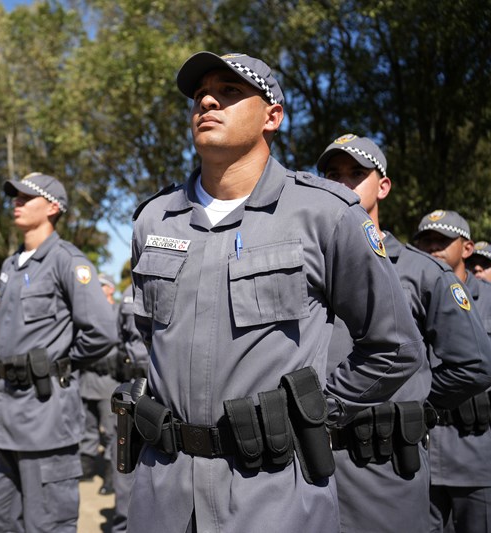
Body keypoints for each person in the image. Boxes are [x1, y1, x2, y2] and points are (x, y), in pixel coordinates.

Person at [125, 51, 425, 532]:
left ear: (272, 117)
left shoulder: (324, 213)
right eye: (200, 94)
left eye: (229, 92)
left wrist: (314, 411)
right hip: (164, 492)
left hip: (272, 495)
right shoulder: (154, 219)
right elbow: (148, 334)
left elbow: (395, 347)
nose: (206, 101)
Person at [317, 136, 491, 532]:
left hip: (382, 465)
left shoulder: (421, 271)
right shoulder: (303, 265)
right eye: (332, 175)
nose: (342, 184)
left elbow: (475, 364)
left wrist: (412, 403)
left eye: (356, 174)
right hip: (303, 467)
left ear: (383, 186)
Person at [0, 172, 117, 532]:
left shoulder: (68, 261)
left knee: (48, 523)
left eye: (28, 197)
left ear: (53, 207)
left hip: (44, 413)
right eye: (15, 196)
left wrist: (58, 363)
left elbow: (101, 331)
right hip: (4, 411)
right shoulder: (11, 265)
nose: (17, 203)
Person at [413, 210, 491, 533]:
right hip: (424, 458)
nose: (434, 248)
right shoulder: (411, 295)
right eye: (426, 241)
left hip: (477, 455)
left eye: (443, 241)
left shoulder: (487, 299)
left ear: (468, 248)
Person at [109, 283, 149, 532]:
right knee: (126, 457)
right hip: (134, 384)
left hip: (165, 387)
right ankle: (123, 525)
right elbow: (117, 337)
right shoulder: (127, 294)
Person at [78, 272, 119, 493]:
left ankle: (111, 476)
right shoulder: (89, 313)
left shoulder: (119, 311)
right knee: (88, 427)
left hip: (108, 384)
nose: (98, 289)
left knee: (111, 430)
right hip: (88, 382)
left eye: (102, 286)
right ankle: (86, 467)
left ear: (111, 289)